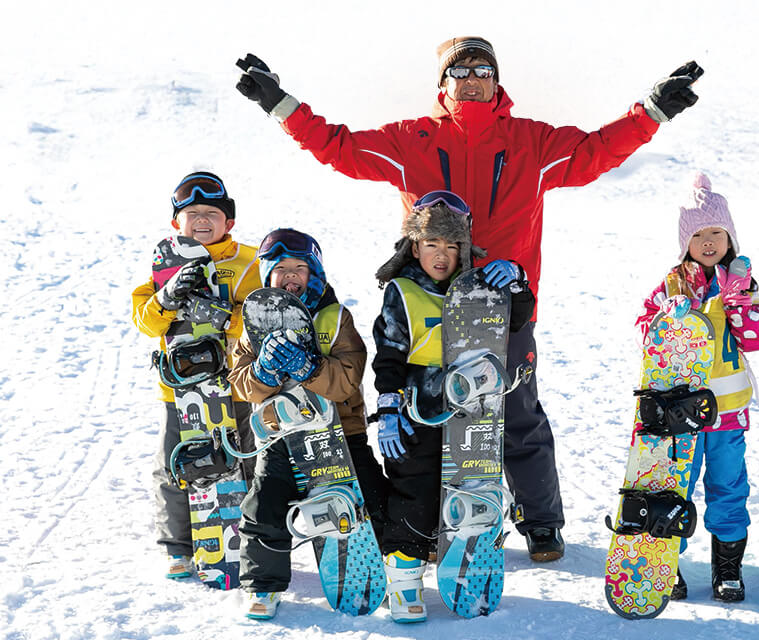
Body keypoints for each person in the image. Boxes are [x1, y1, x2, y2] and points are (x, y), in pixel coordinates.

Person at [234, 39, 704, 560]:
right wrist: (281, 105)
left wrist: (653, 111)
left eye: (483, 69)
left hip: (502, 311)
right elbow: (339, 148)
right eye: (461, 70)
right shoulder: (412, 141)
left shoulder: (530, 141)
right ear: (444, 83)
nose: (473, 78)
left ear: (496, 80)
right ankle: (421, 529)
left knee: (518, 414)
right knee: (424, 419)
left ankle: (540, 521)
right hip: (425, 312)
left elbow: (597, 151)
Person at [370, 191, 535, 623]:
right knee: (416, 491)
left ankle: (468, 568)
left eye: (451, 245)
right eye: (431, 245)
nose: (441, 256)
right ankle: (403, 580)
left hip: (472, 411)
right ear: (414, 246)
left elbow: (516, 318)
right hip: (419, 410)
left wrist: (517, 281)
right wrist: (389, 408)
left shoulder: (481, 287)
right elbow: (388, 352)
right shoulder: (401, 291)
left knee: (469, 490)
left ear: (464, 247)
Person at [227, 228, 389, 620]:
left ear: (314, 273)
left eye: (300, 267)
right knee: (264, 504)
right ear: (267, 275)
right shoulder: (253, 321)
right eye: (280, 268)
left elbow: (349, 376)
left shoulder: (334, 318)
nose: (291, 276)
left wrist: (309, 367)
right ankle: (263, 584)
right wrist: (264, 370)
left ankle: (394, 562)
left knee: (371, 496)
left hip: (340, 435)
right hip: (282, 437)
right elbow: (241, 383)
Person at [634, 173, 759, 602]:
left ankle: (727, 567)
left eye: (717, 232)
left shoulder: (742, 285)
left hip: (728, 415)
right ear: (685, 242)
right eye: (699, 234)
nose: (709, 241)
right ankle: (665, 561)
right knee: (675, 485)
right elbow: (646, 333)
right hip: (681, 415)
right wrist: (667, 319)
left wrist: (738, 305)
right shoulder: (672, 285)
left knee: (729, 488)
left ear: (730, 238)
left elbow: (756, 337)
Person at [131, 171, 260, 579]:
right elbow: (146, 322)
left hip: (235, 383)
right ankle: (178, 544)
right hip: (181, 389)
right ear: (177, 223)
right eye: (192, 213)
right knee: (175, 461)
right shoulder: (163, 264)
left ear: (229, 222)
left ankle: (249, 537)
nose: (202, 220)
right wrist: (167, 297)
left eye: (212, 213)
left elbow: (262, 316)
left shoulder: (250, 261)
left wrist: (221, 314)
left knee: (243, 459)